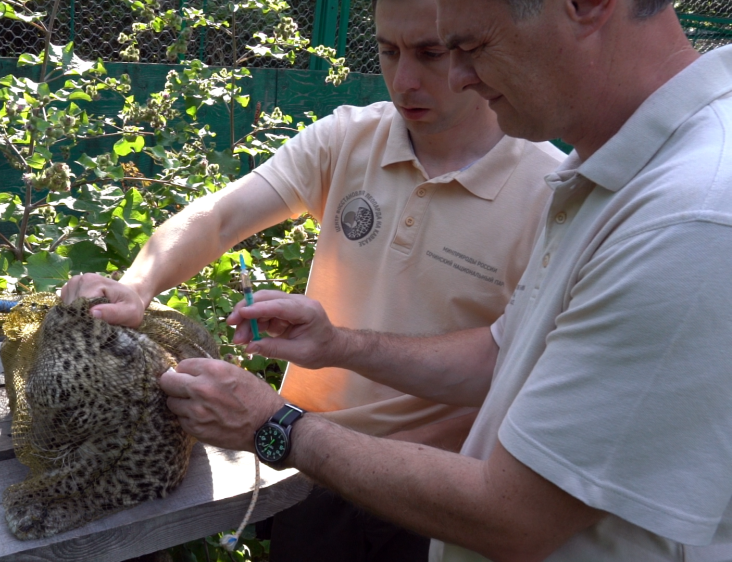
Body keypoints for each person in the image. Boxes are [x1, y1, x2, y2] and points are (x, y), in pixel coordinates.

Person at [157, 0, 732, 560]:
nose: (460, 77)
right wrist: (337, 345)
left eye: (470, 46)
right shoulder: (617, 175)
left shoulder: (689, 216)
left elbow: (517, 519)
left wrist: (274, 425)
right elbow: (503, 354)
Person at [63, 0, 563, 558]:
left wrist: (338, 347)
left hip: (431, 495)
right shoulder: (348, 137)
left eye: (431, 53)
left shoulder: (551, 192)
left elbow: (506, 358)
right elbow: (221, 215)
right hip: (303, 461)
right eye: (388, 50)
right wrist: (139, 284)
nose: (403, 80)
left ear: (478, 48)